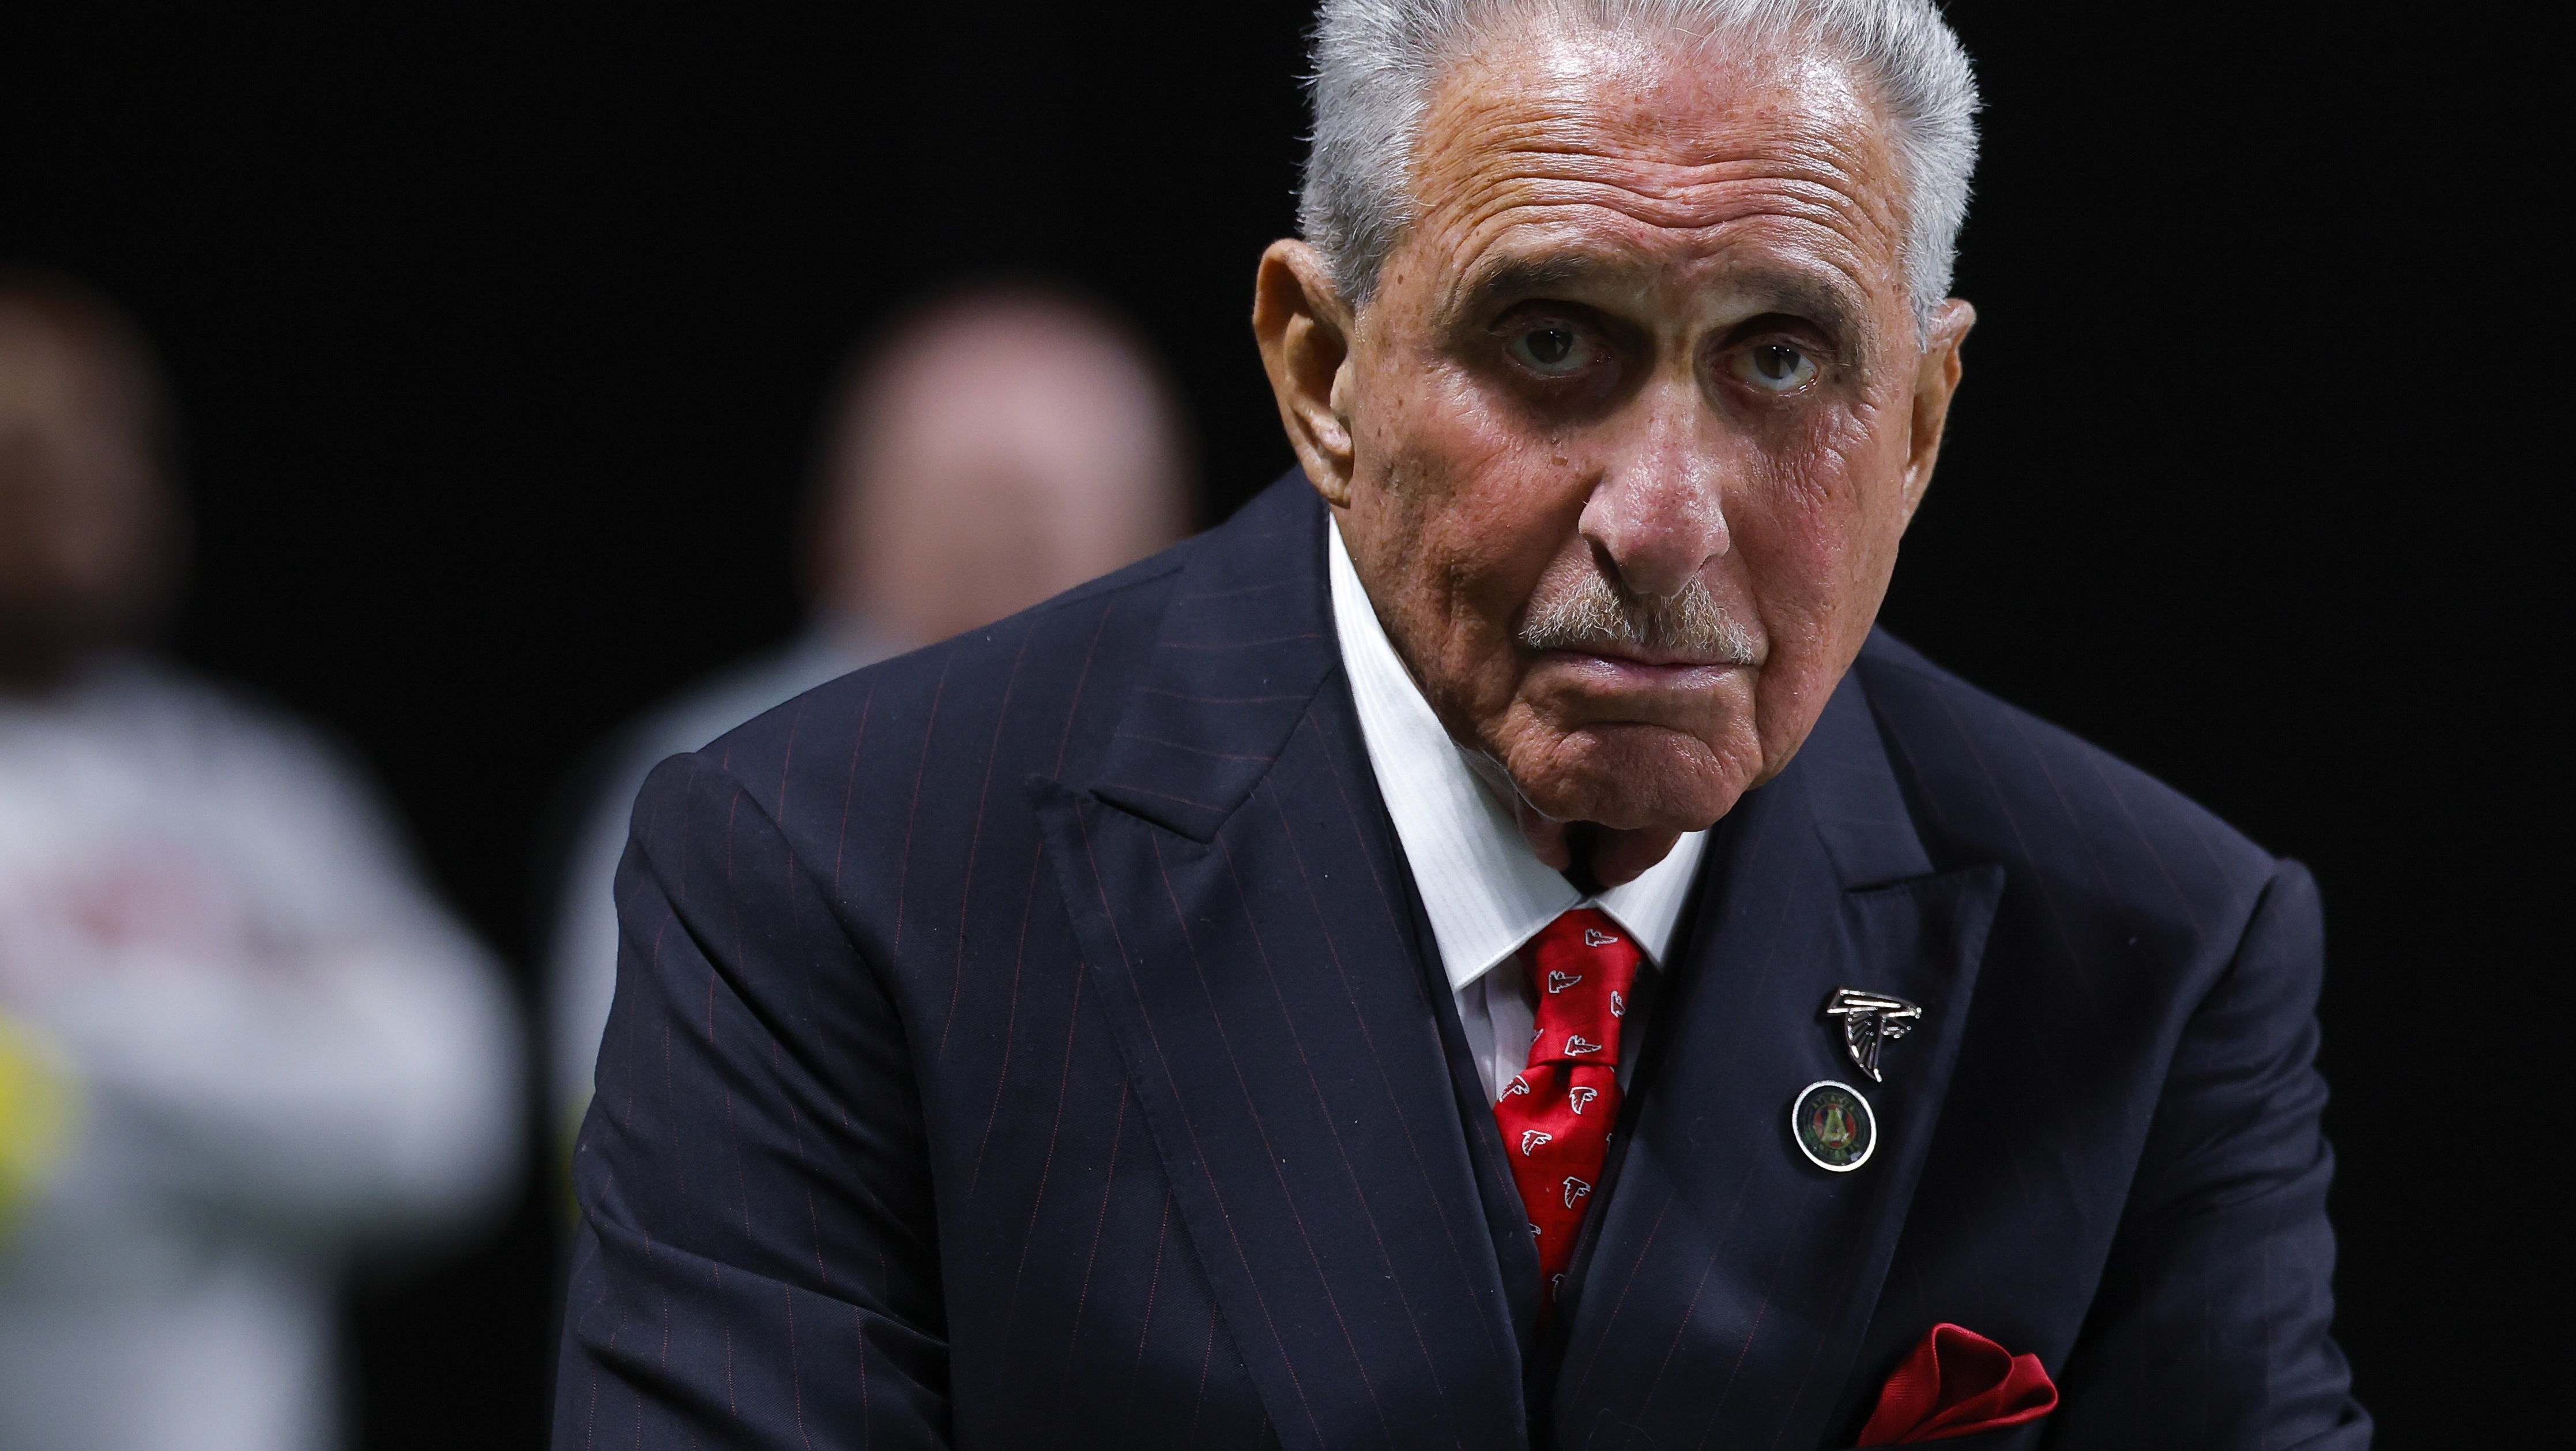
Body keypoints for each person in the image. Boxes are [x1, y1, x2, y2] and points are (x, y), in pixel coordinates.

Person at [553, 1, 2368, 1446]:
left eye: (1784, 358)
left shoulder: (2146, 950)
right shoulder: (834, 876)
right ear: (1319, 373)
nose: (1663, 513)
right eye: (1552, 342)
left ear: (1921, 421)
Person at [0, 275, 521, 1451]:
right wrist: (258, 1063)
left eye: (114, 442)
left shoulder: (249, 785)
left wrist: (74, 1059)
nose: (86, 486)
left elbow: (441, 1112)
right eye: (28, 449)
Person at [539, 284, 1192, 1137]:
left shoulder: (1246, 786)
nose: (1000, 564)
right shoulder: (708, 795)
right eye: (968, 511)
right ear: (841, 530)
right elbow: (637, 1159)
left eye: (1038, 525)